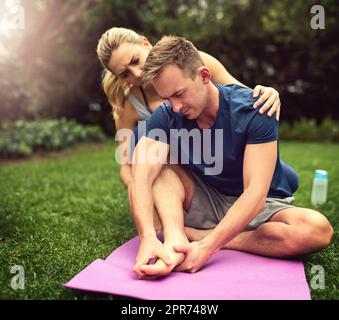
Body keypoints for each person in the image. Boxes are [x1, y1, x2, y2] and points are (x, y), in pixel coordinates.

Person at [128, 36, 334, 280]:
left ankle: (199, 236)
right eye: (167, 99)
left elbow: (255, 194)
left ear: (204, 76)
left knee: (317, 230)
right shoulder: (167, 115)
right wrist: (148, 237)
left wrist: (208, 246)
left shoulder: (255, 108)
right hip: (207, 196)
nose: (175, 107)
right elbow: (140, 176)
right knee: (156, 168)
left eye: (179, 94)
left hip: (258, 202)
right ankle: (176, 240)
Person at [96, 27, 286, 190]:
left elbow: (243, 99)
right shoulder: (128, 104)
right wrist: (141, 191)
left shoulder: (194, 62)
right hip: (184, 168)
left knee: (285, 179)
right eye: (125, 74)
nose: (137, 73)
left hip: (225, 157)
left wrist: (268, 93)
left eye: (135, 60)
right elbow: (126, 164)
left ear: (145, 43)